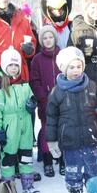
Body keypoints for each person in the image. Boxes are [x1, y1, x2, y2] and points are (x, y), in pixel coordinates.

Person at [45, 47, 97, 193]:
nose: (76, 71)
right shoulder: (57, 92)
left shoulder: (92, 87)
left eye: (78, 66)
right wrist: (51, 142)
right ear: (64, 69)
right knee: (73, 173)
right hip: (70, 142)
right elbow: (51, 119)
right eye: (71, 67)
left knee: (93, 171)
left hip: (91, 139)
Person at [0, 47, 40, 193]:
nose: (13, 68)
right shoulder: (0, 86)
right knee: (8, 156)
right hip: (9, 127)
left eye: (16, 65)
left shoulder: (24, 83)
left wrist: (32, 104)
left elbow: (32, 98)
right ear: (5, 66)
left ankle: (28, 184)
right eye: (10, 65)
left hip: (25, 125)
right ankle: (8, 188)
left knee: (26, 155)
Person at [30, 25, 62, 177]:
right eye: (44, 38)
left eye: (50, 37)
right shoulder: (37, 59)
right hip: (45, 102)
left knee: (62, 130)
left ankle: (62, 160)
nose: (48, 40)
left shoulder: (62, 54)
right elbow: (34, 80)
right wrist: (43, 96)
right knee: (46, 131)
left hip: (62, 101)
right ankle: (47, 161)